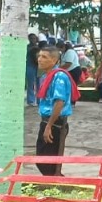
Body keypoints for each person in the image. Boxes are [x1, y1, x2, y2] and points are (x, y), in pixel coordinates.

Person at [34, 45, 72, 175]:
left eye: (44, 57)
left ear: (54, 60)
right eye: (39, 56)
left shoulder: (59, 76)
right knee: (43, 159)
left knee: (48, 162)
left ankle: (56, 183)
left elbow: (59, 102)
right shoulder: (47, 75)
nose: (40, 59)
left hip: (56, 123)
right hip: (47, 121)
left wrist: (49, 126)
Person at [25, 32, 40, 106]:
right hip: (30, 65)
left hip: (38, 66)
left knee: (39, 83)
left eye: (34, 38)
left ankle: (39, 100)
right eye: (31, 38)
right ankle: (31, 100)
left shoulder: (39, 47)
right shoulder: (27, 47)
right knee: (30, 83)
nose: (33, 40)